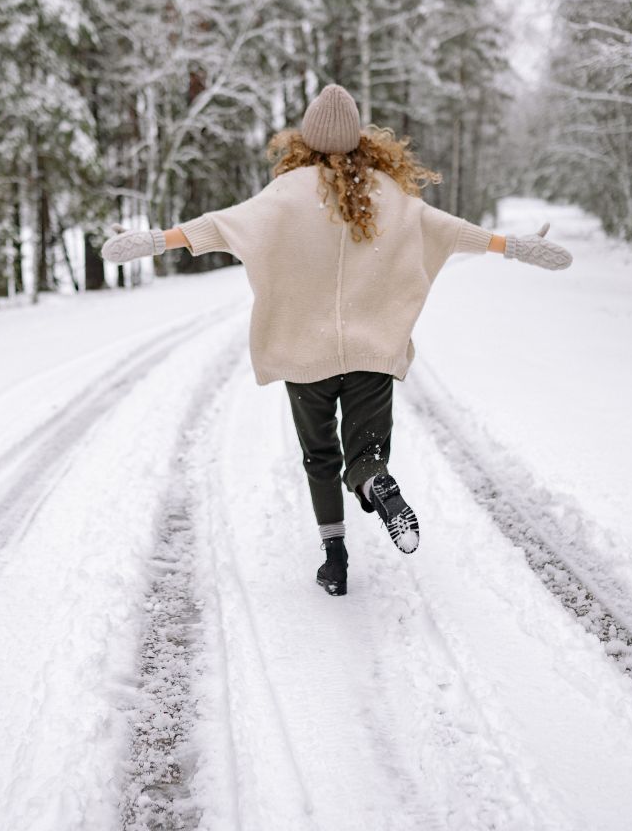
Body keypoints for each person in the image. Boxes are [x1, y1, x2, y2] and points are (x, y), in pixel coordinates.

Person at [101, 84, 571, 596]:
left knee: (320, 457)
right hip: (372, 352)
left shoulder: (284, 194)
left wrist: (154, 241)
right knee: (365, 452)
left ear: (305, 138)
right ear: (361, 138)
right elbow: (450, 231)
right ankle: (378, 484)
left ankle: (335, 559)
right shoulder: (389, 194)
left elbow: (221, 227)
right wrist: (515, 247)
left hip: (306, 358)